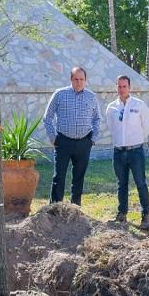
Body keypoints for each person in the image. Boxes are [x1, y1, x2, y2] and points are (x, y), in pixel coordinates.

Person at [43, 66, 101, 205]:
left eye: (81, 79)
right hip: (63, 142)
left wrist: (93, 139)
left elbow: (97, 118)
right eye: (76, 79)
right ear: (71, 79)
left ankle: (75, 209)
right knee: (59, 177)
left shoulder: (91, 96)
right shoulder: (60, 94)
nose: (79, 82)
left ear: (85, 80)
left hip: (84, 143)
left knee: (79, 177)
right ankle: (55, 209)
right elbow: (47, 117)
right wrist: (53, 137)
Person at [105, 75, 149, 229]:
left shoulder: (139, 105)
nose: (121, 89)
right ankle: (122, 214)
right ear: (116, 87)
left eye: (124, 86)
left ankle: (145, 215)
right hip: (118, 153)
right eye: (119, 86)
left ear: (129, 87)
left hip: (135, 152)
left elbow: (146, 127)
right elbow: (112, 127)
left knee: (140, 183)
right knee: (122, 184)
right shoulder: (111, 107)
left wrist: (135, 141)